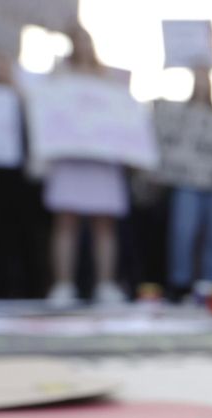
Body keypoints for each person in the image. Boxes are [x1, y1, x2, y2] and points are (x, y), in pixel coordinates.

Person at [45, 26, 129, 307]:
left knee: (104, 224)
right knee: (66, 222)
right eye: (76, 40)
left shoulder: (111, 78)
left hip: (101, 159)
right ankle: (63, 285)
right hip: (70, 156)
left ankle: (106, 284)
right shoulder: (59, 76)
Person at [0, 49, 47, 299]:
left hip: (25, 174)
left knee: (30, 232)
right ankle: (3, 287)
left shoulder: (27, 96)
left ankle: (32, 287)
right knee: (0, 233)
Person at [167, 68, 212, 300]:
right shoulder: (179, 117)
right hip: (188, 183)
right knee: (184, 233)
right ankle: (180, 284)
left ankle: (211, 285)